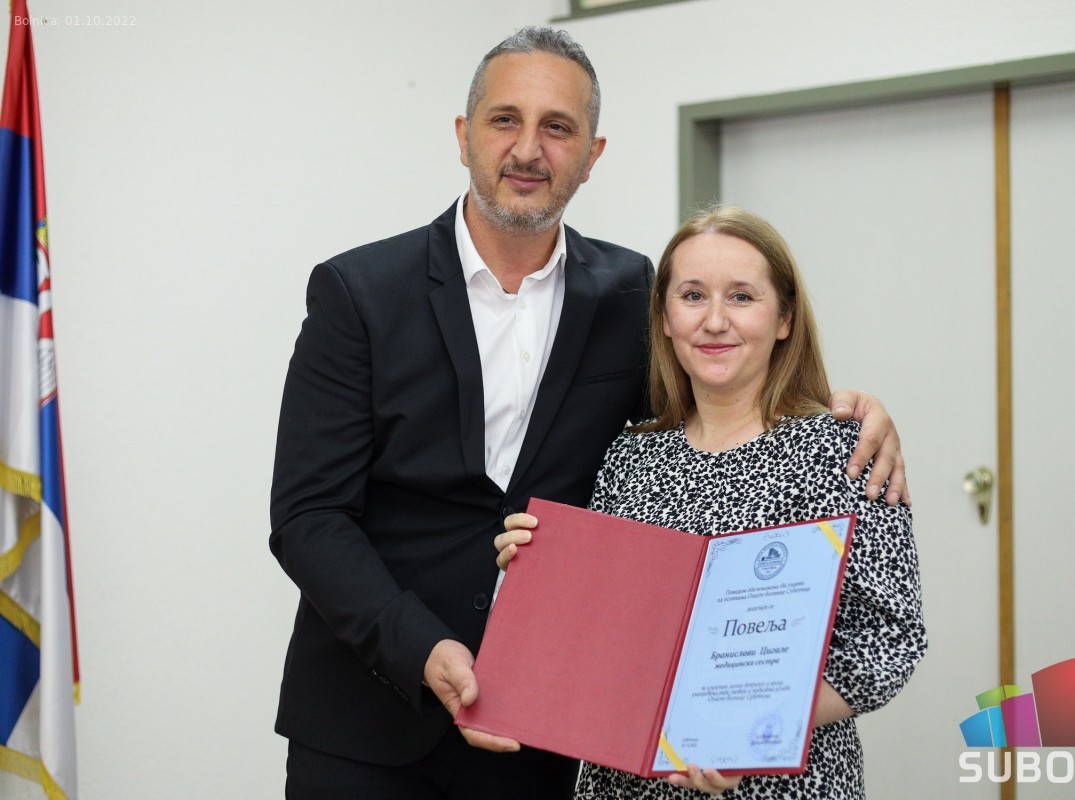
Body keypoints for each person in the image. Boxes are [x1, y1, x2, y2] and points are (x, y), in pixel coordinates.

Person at [270, 26, 908, 800]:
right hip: (369, 724)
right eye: (505, 120)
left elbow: (707, 420)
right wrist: (422, 647)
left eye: (558, 127)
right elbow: (309, 516)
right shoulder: (359, 292)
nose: (527, 149)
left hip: (550, 732)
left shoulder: (629, 292)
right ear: (464, 135)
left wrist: (846, 407)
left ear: (592, 153)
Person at [497, 207, 927, 799]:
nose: (716, 321)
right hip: (625, 783)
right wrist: (536, 578)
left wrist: (743, 728)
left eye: (742, 297)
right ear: (665, 318)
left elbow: (891, 639)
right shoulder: (629, 457)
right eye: (693, 295)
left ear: (785, 318)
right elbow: (601, 635)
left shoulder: (842, 451)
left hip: (778, 783)